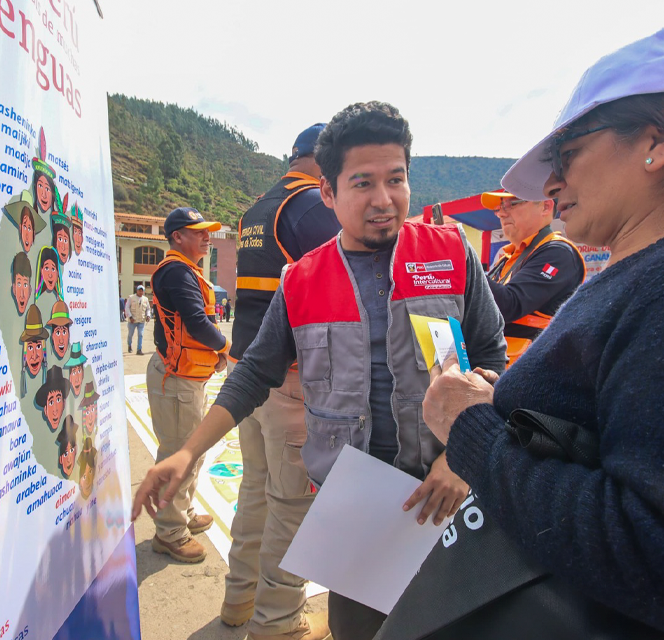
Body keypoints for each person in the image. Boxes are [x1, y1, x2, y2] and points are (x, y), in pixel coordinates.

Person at [417, 27, 664, 639]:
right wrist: (504, 407)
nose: (550, 185)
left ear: (661, 138)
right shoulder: (652, 274)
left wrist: (472, 433)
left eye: (567, 155)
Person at [133, 102, 507, 640]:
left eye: (395, 179)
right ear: (327, 193)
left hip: (445, 491)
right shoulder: (302, 280)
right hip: (353, 504)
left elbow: (493, 359)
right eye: (362, 184)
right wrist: (187, 452)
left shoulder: (451, 255)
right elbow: (252, 373)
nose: (383, 200)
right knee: (360, 630)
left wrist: (461, 456)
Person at [219, 122, 341, 639]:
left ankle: (239, 601)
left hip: (247, 368)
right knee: (292, 506)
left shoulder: (256, 209)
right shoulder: (311, 206)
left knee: (255, 492)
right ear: (320, 160)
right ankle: (278, 625)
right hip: (288, 378)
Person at [145, 206, 229, 564]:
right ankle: (169, 532)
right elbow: (197, 324)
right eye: (198, 231)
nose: (206, 236)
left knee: (193, 450)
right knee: (180, 453)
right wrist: (228, 348)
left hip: (187, 376)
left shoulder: (187, 271)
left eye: (207, 231)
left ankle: (184, 513)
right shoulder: (178, 272)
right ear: (177, 236)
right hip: (175, 378)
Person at [480, 192, 585, 365]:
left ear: (545, 206)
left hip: (531, 373)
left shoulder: (558, 253)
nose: (502, 213)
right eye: (499, 207)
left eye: (511, 204)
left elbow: (510, 305)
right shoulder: (507, 258)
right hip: (499, 369)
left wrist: (465, 264)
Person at [125, 285, 151, 354]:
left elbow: (148, 309)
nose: (140, 292)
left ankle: (139, 349)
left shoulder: (145, 299)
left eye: (142, 290)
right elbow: (127, 308)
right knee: (130, 334)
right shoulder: (131, 298)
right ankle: (129, 345)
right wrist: (130, 317)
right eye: (139, 290)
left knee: (140, 334)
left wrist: (148, 315)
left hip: (141, 320)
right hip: (132, 320)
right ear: (137, 290)